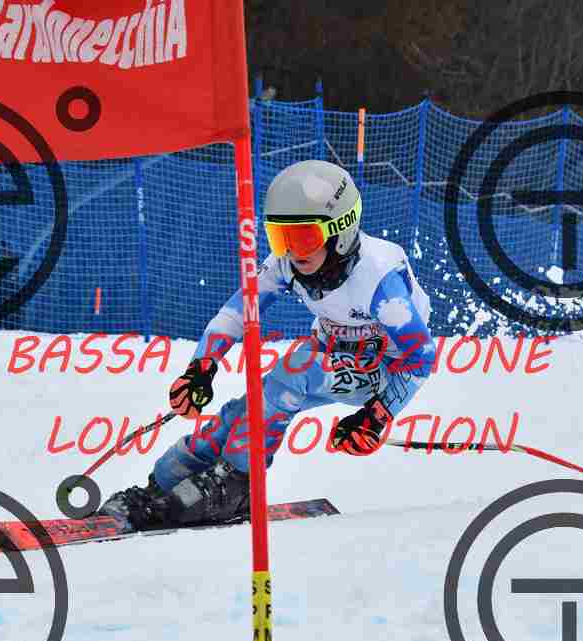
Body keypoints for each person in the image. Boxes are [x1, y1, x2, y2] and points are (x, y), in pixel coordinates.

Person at [99, 160, 435, 528]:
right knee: (247, 409)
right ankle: (163, 484)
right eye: (280, 237)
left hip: (385, 369)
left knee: (292, 371)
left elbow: (420, 357)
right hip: (332, 352)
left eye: (303, 237)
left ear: (340, 232)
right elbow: (238, 311)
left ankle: (238, 481)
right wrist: (201, 369)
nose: (291, 251)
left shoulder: (379, 279)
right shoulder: (287, 263)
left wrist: (376, 415)